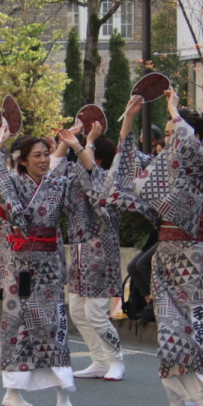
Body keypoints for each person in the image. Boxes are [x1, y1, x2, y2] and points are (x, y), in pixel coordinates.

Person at [107, 91, 203, 406]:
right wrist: (130, 119)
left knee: (195, 341)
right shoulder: (163, 167)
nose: (168, 140)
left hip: (194, 261)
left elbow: (188, 150)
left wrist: (175, 113)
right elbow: (126, 171)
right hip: (165, 257)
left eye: (174, 133)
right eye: (166, 134)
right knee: (168, 342)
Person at [0, 121, 89, 406]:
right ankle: (12, 391)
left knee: (53, 326)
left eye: (46, 154)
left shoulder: (58, 183)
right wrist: (1, 141)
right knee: (18, 328)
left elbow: (86, 190)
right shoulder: (14, 183)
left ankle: (63, 391)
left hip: (50, 265)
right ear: (23, 160)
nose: (43, 160)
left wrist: (77, 145)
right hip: (20, 267)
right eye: (37, 155)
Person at [62, 129, 126, 382]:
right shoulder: (77, 179)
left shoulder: (109, 180)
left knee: (96, 314)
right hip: (79, 250)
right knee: (77, 311)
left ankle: (116, 360)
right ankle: (99, 360)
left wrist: (83, 144)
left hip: (101, 251)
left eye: (88, 154)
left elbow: (91, 174)